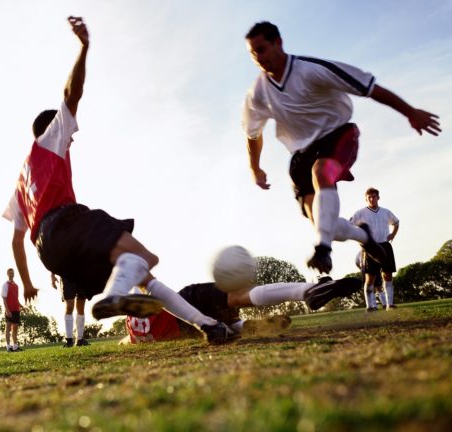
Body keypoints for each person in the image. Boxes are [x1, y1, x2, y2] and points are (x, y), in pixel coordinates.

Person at [2, 17, 232, 344]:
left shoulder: (21, 182)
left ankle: (206, 326)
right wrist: (84, 48)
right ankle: (114, 297)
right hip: (67, 224)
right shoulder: (50, 139)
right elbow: (72, 93)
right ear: (53, 129)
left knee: (143, 275)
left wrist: (30, 279)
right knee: (145, 258)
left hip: (49, 249)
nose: (71, 140)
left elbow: (16, 241)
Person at [242, 21, 441, 275]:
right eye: (252, 54)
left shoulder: (312, 70)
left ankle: (323, 250)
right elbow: (253, 133)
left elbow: (369, 88)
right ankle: (364, 237)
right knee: (324, 224)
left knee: (322, 172)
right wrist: (255, 168)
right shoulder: (257, 94)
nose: (258, 58)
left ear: (278, 43)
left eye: (261, 49)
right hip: (300, 155)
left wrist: (410, 112)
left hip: (338, 134)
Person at [122, 276, 361, 344]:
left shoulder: (136, 335)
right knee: (239, 296)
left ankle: (246, 327)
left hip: (185, 330)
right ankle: (306, 291)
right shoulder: (130, 311)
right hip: (183, 303)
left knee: (220, 327)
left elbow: (127, 340)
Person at [351, 188, 400, 310]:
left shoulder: (385, 212)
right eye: (369, 197)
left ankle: (390, 304)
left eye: (374, 196)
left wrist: (393, 234)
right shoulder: (360, 213)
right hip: (370, 248)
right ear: (366, 199)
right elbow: (349, 226)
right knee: (370, 277)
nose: (372, 199)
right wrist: (361, 240)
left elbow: (396, 222)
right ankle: (370, 306)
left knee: (387, 275)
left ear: (378, 197)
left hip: (385, 246)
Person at [51, 274, 89, 347]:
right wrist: (52, 276)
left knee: (81, 307)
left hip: (82, 274)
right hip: (66, 275)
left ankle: (80, 339)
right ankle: (69, 340)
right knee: (70, 306)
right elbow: (51, 262)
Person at [1, 268, 24, 352]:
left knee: (15, 329)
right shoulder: (5, 285)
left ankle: (15, 346)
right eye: (10, 273)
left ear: (14, 274)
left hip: (16, 309)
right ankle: (8, 347)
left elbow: (16, 298)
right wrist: (7, 310)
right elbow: (4, 298)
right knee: (8, 328)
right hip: (9, 309)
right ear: (7, 274)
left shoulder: (16, 285)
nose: (11, 274)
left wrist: (21, 306)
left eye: (12, 273)